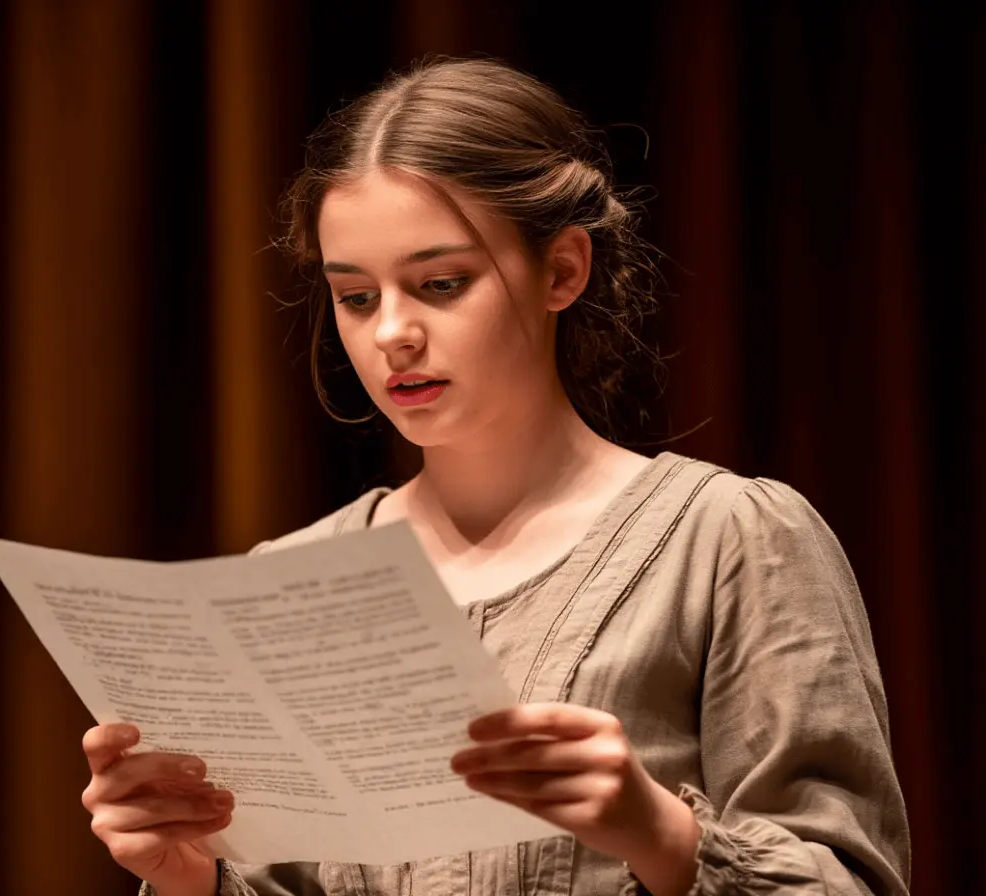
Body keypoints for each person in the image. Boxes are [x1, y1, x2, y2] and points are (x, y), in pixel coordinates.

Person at [79, 57, 911, 896]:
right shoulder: (291, 583)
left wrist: (661, 832)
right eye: (357, 297)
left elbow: (850, 881)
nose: (393, 333)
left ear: (562, 270)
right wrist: (190, 877)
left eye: (441, 284)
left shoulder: (729, 540)